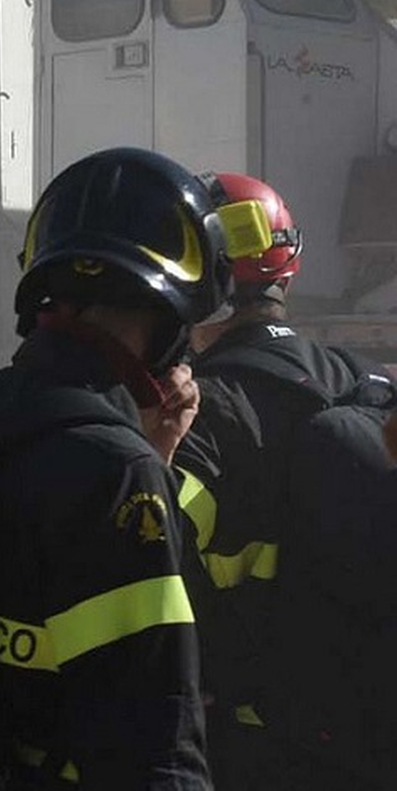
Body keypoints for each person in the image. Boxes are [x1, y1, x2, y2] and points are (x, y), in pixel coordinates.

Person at [0, 145, 225, 789]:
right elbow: (154, 747)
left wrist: (152, 453)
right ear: (165, 321)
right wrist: (141, 463)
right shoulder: (114, 471)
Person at [171, 172, 387, 790]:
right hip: (370, 729)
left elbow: (150, 566)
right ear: (287, 268)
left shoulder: (198, 417)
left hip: (259, 746)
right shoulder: (366, 383)